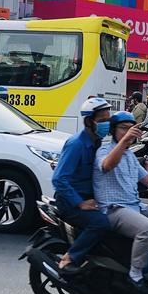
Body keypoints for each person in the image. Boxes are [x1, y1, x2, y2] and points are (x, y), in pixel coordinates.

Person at [93, 111, 148, 294]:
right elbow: (107, 165)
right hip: (113, 209)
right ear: (113, 130)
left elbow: (147, 179)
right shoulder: (104, 150)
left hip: (134, 205)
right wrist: (124, 141)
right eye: (123, 128)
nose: (128, 132)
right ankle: (135, 275)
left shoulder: (129, 155)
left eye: (131, 129)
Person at [52, 97, 113, 274]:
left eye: (108, 120)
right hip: (70, 203)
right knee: (100, 223)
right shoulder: (77, 144)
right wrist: (80, 203)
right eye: (102, 121)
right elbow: (59, 179)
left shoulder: (98, 143)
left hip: (90, 198)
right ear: (89, 121)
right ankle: (69, 258)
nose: (106, 125)